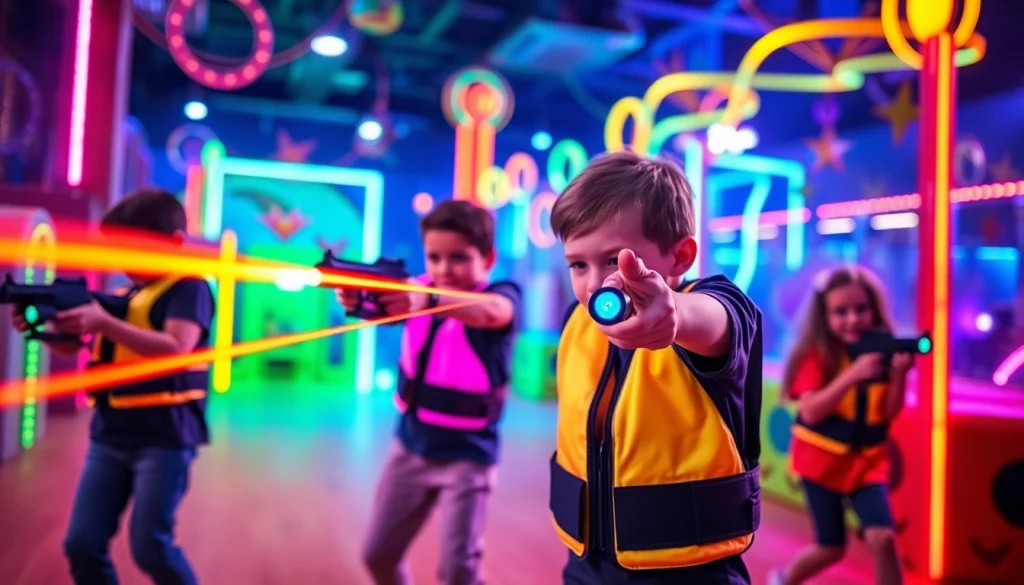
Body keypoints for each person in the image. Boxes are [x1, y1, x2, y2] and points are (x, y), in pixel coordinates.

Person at [547, 151, 763, 585]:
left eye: (613, 261)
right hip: (586, 564)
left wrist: (675, 317)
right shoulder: (579, 320)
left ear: (679, 257)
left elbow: (717, 319)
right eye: (578, 264)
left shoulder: (710, 307)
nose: (593, 285)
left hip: (691, 572)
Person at [11, 189, 214, 585]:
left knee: (150, 547)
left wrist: (101, 321)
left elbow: (177, 348)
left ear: (172, 243)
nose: (121, 260)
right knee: (82, 545)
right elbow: (77, 347)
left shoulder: (190, 288)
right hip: (110, 433)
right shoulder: (125, 296)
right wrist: (44, 330)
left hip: (165, 438)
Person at [338, 200, 521, 585]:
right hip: (410, 447)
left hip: (469, 456)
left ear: (488, 258)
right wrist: (358, 300)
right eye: (434, 257)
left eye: (459, 258)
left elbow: (495, 312)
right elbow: (383, 306)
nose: (443, 269)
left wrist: (427, 299)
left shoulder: (498, 293)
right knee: (378, 556)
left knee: (458, 572)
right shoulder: (416, 290)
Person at [768, 265, 911, 585]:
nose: (852, 319)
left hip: (867, 464)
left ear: (874, 309)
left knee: (883, 540)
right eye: (840, 311)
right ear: (825, 316)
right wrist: (853, 375)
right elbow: (813, 411)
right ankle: (784, 579)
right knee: (830, 548)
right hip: (821, 465)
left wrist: (899, 375)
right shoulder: (817, 355)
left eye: (861, 309)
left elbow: (889, 412)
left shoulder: (882, 353)